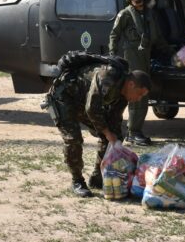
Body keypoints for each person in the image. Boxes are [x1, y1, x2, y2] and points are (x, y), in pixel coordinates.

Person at [44, 53, 151, 197]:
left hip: (82, 101)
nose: (138, 99)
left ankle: (98, 177)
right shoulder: (108, 76)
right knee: (73, 139)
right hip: (64, 97)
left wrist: (114, 138)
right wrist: (107, 132)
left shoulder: (123, 95)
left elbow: (114, 121)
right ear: (131, 84)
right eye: (139, 94)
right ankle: (77, 181)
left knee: (114, 135)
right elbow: (91, 109)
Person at [109, 0, 171, 146]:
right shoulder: (125, 15)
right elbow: (114, 35)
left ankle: (135, 130)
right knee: (137, 93)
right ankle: (133, 131)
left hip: (146, 55)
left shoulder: (149, 14)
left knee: (144, 93)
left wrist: (169, 50)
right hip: (132, 56)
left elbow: (156, 35)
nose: (138, 0)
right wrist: (112, 56)